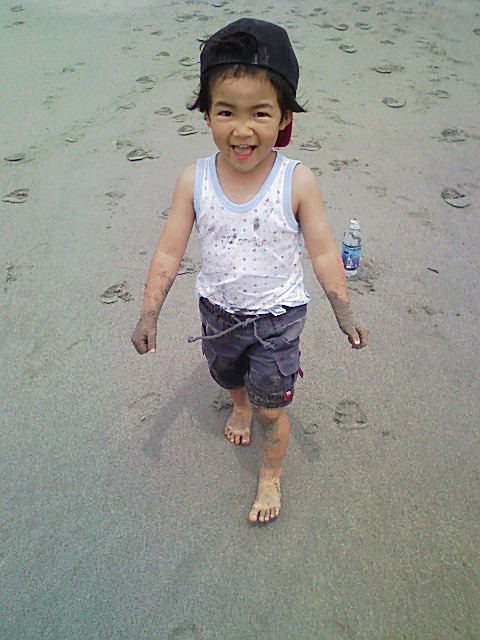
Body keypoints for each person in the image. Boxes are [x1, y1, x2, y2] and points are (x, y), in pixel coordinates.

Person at [131, 18, 368, 525]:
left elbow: (324, 252)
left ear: (284, 117)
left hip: (278, 318)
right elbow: (169, 251)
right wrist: (149, 313)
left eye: (260, 112)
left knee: (272, 408)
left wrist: (344, 312)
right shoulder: (193, 180)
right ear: (206, 114)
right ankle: (239, 404)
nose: (242, 130)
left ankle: (271, 473)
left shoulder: (297, 181)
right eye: (226, 112)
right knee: (226, 376)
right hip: (217, 312)